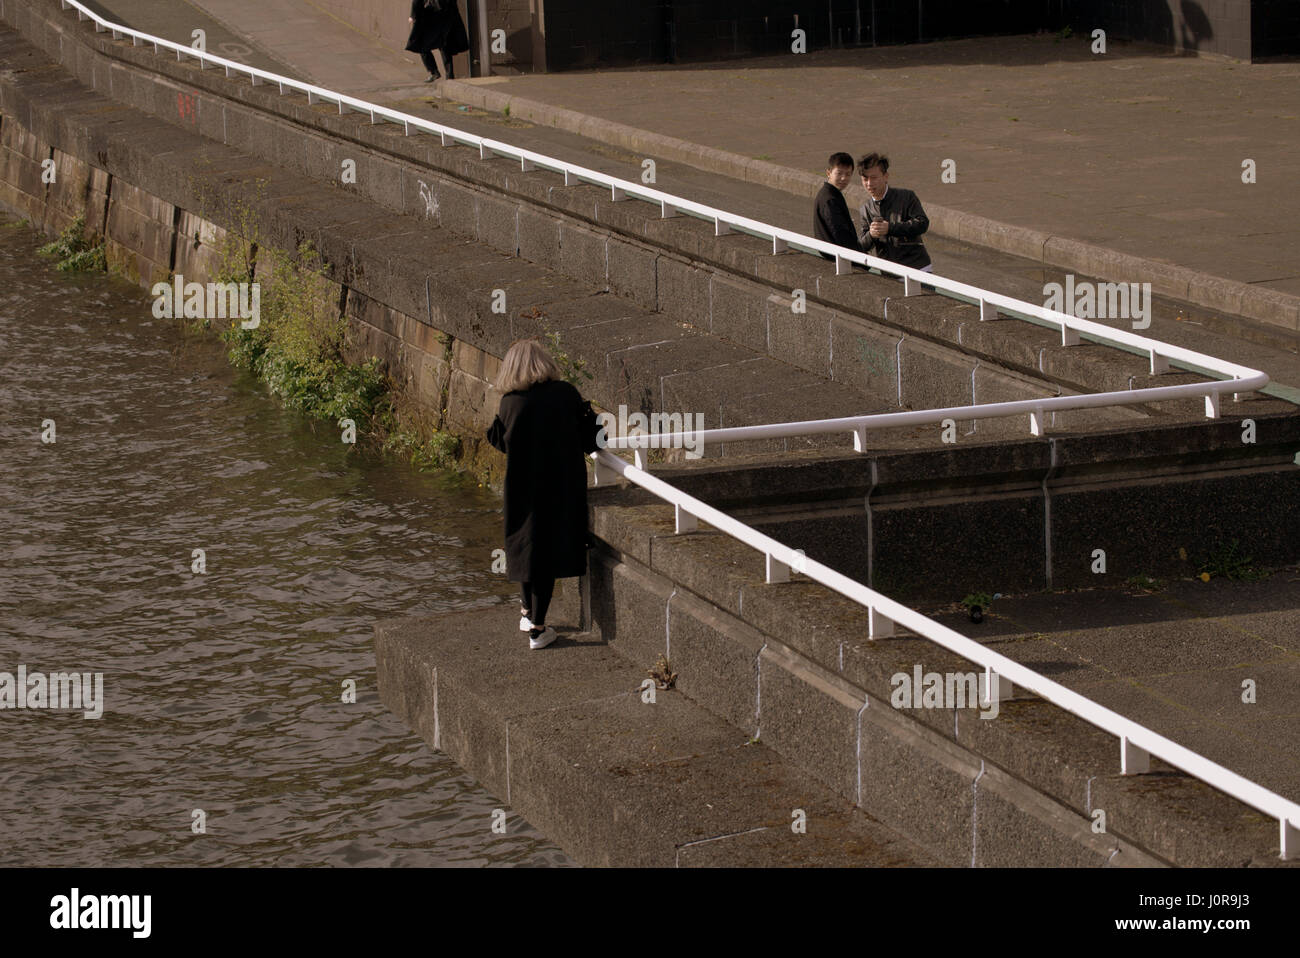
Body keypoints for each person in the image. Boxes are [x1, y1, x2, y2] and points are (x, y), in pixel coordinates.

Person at [486, 339, 602, 650]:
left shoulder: (510, 402)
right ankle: (538, 628)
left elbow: (501, 442)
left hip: (522, 486)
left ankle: (528, 614)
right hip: (561, 484)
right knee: (549, 552)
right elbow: (593, 440)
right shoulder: (565, 394)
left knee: (525, 543)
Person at [857, 152, 932, 272]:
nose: (869, 183)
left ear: (886, 176)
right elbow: (861, 246)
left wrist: (890, 228)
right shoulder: (865, 209)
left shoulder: (907, 197)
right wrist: (871, 235)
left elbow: (923, 223)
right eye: (865, 179)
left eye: (874, 178)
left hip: (918, 267)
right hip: (889, 272)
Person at [813, 151, 864, 261]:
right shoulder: (830, 199)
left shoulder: (829, 194)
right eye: (839, 173)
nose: (843, 178)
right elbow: (839, 234)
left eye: (848, 174)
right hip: (838, 258)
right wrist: (859, 257)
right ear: (829, 173)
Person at [406, 0, 470, 82]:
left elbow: (417, 1)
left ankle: (435, 72)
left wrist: (413, 15)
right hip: (446, 16)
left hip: (433, 16)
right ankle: (449, 76)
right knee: (444, 46)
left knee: (422, 45)